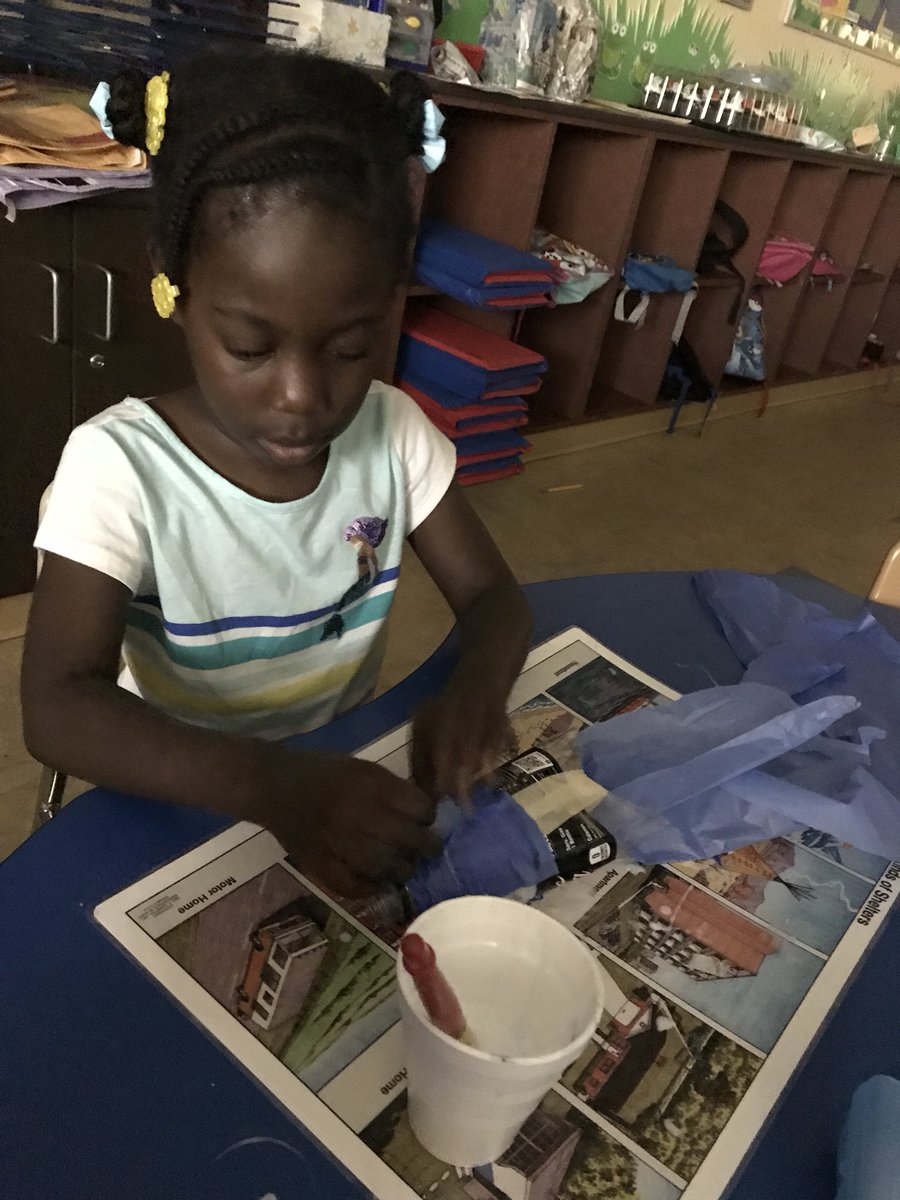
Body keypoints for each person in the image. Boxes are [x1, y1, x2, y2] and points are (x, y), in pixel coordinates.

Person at [20, 47, 532, 899]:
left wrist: (475, 689)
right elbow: (59, 706)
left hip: (335, 780)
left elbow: (495, 599)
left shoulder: (392, 435)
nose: (302, 397)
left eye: (351, 347)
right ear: (175, 287)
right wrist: (276, 788)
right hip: (181, 796)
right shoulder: (117, 470)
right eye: (251, 348)